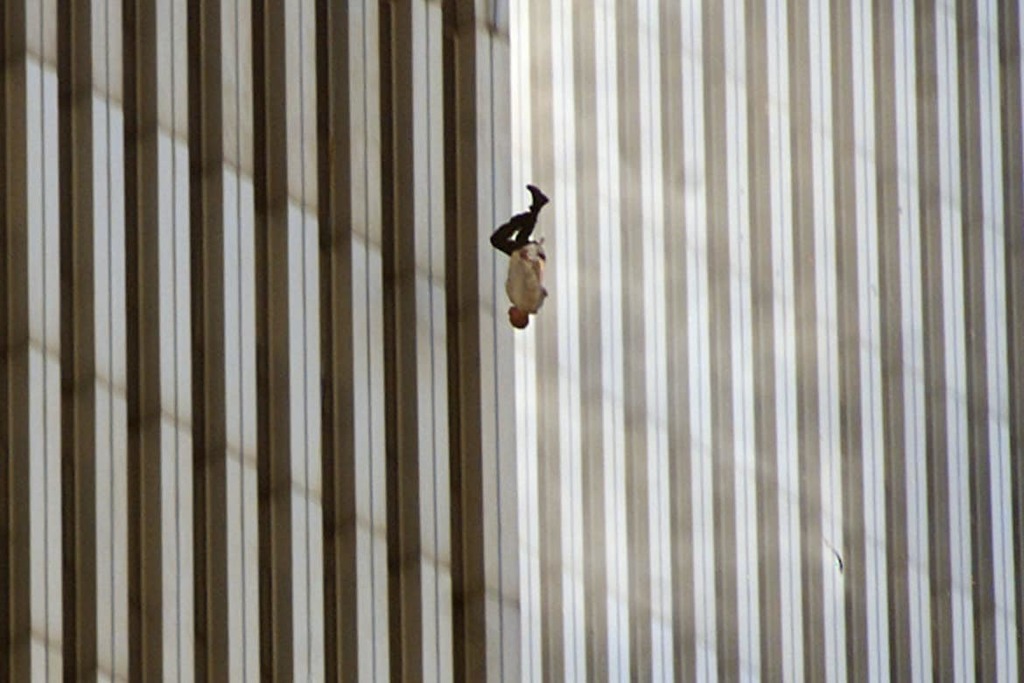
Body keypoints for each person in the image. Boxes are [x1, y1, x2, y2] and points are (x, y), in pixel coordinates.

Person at [490, 185, 549, 329]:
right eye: (512, 317)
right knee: (499, 239)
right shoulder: (529, 302)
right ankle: (533, 210)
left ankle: (534, 209)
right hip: (526, 259)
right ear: (520, 317)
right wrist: (526, 262)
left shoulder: (515, 299)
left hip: (521, 258)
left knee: (520, 237)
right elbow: (532, 282)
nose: (510, 314)